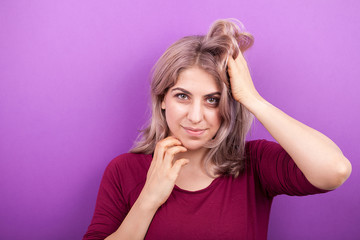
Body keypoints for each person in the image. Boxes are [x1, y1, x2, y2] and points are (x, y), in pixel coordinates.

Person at [83, 19, 352, 240]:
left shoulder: (254, 164)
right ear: (162, 99)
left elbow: (335, 170)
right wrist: (148, 200)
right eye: (182, 96)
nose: (196, 116)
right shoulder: (123, 171)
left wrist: (252, 99)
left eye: (212, 100)